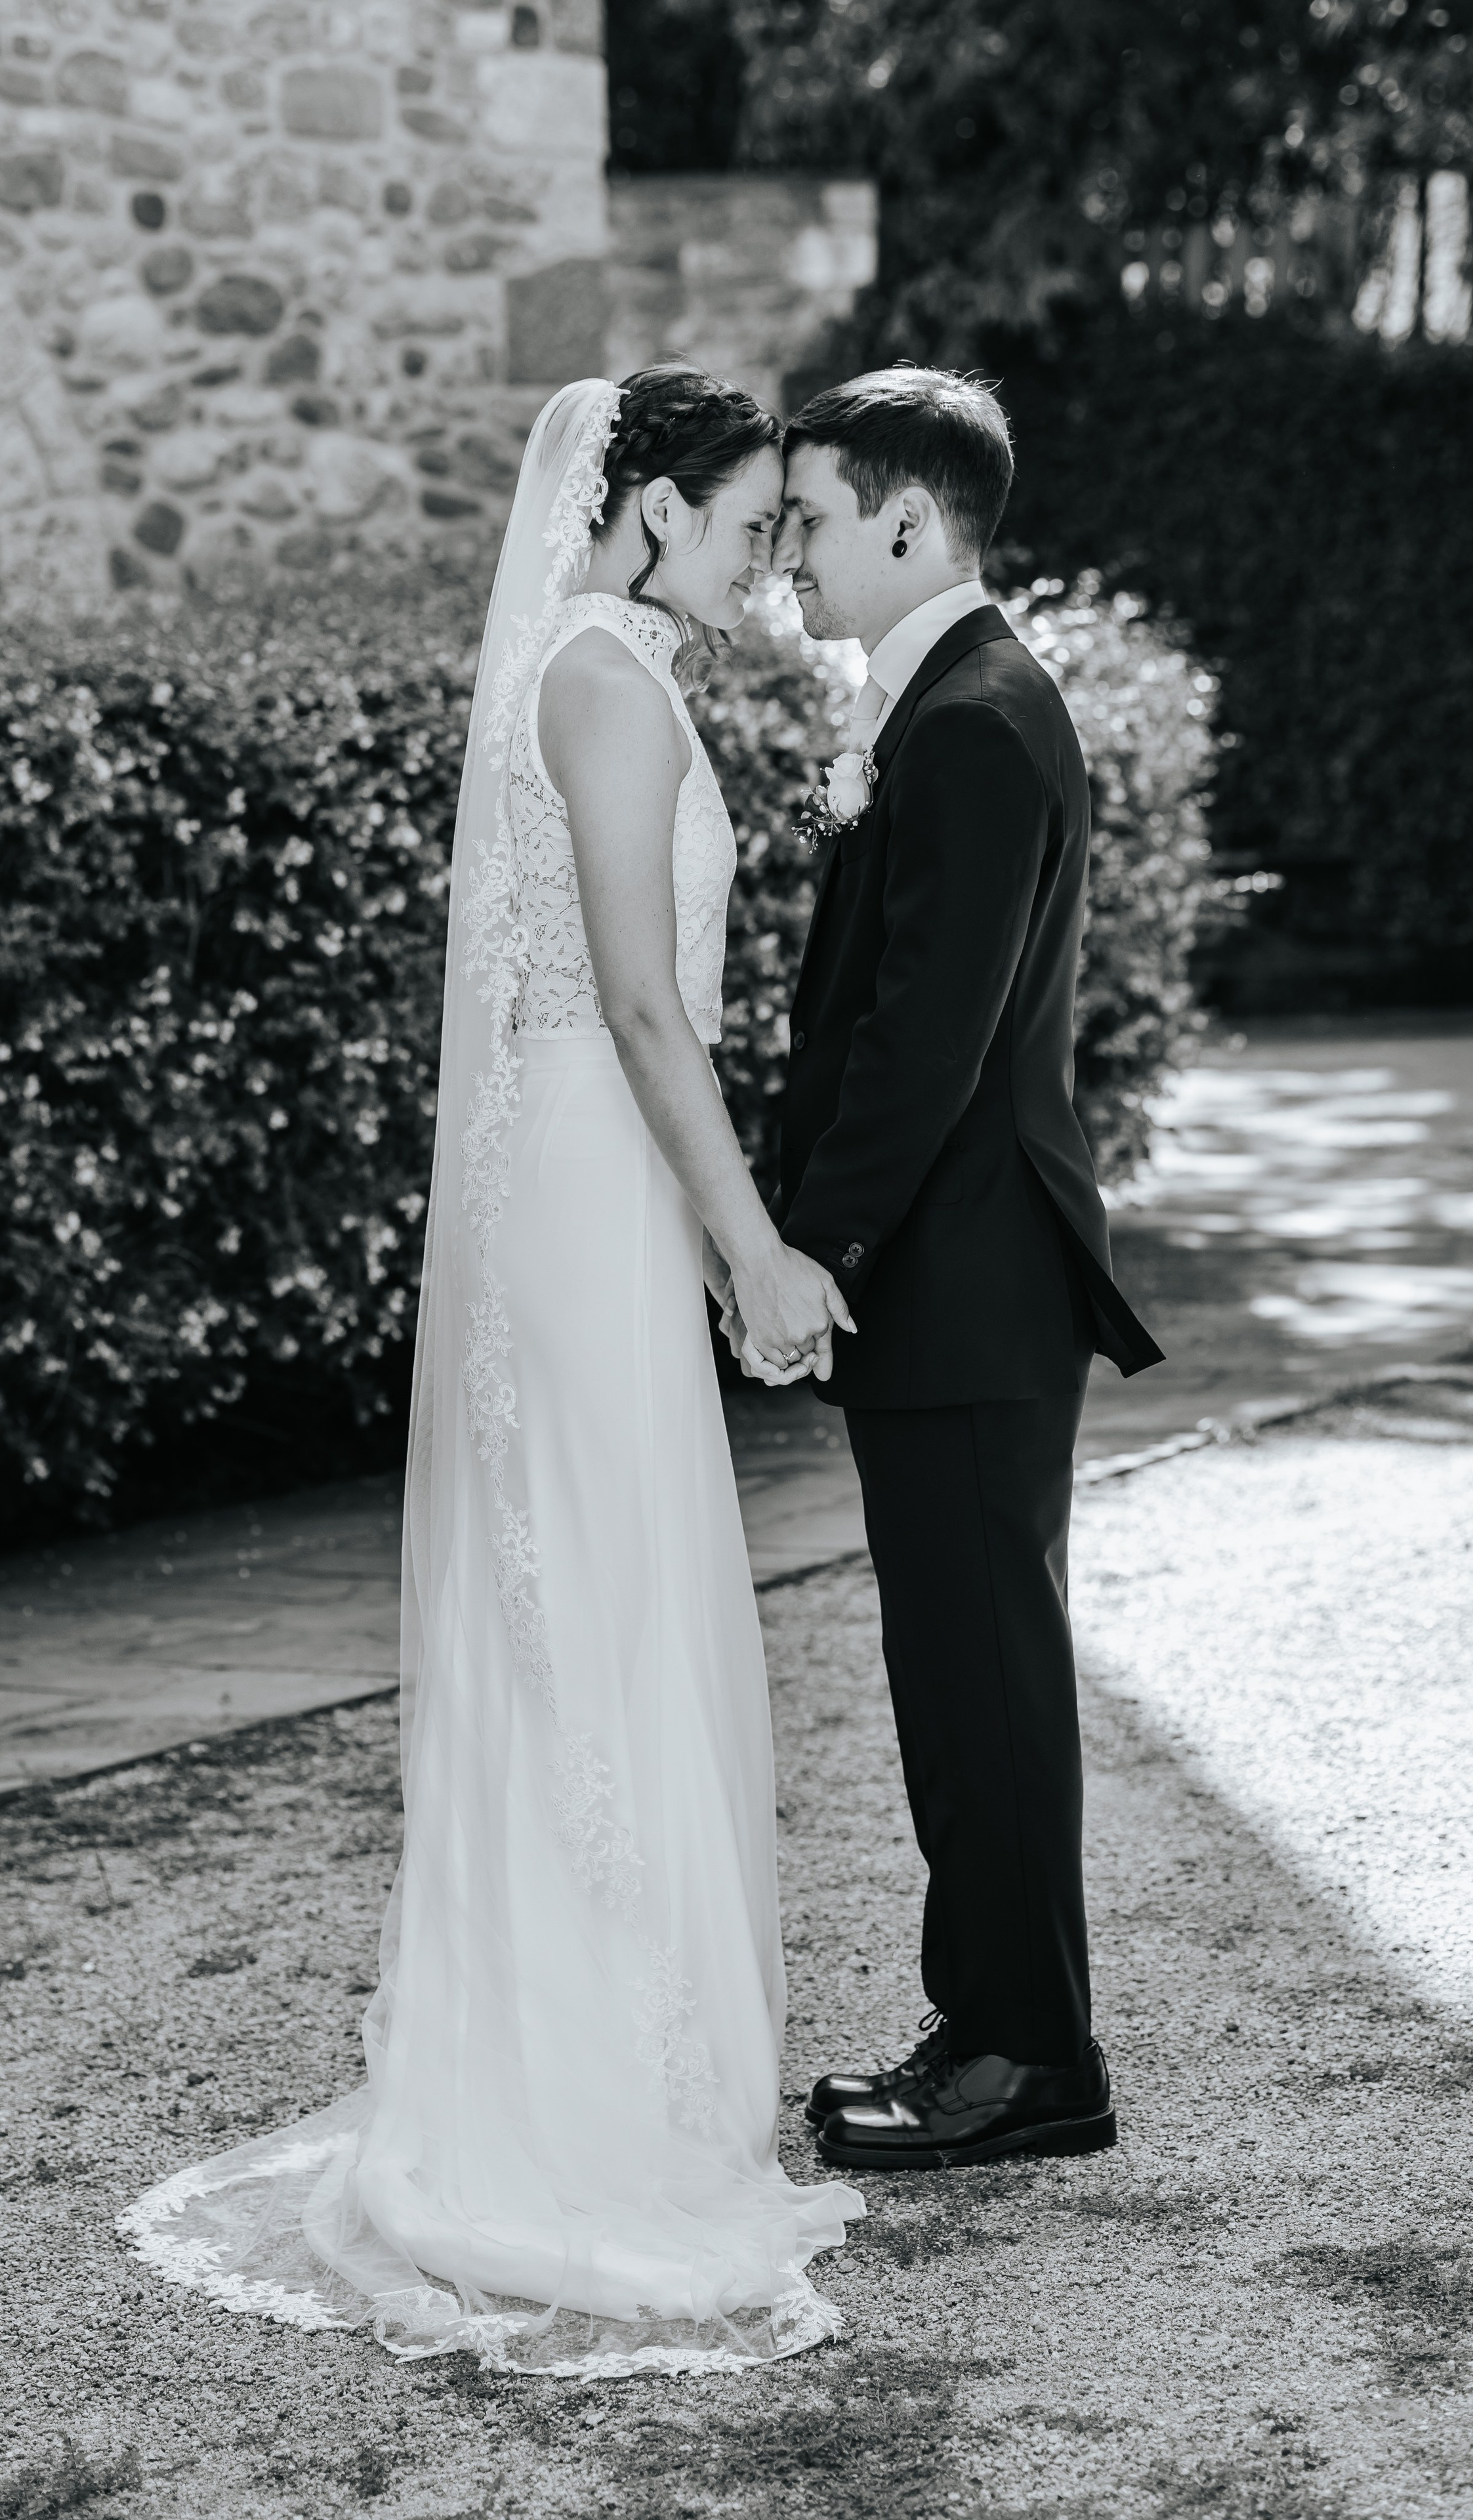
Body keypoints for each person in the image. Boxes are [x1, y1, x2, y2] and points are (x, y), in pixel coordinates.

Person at [117, 368, 863, 2378]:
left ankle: (604, 2064)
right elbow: (635, 997)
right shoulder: (609, 680)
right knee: (594, 1602)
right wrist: (753, 1240)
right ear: (638, 508)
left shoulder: (586, 659)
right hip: (599, 1174)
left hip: (587, 1174)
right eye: (742, 520)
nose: (765, 556)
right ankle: (581, 2112)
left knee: (590, 1600)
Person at [736, 364, 1164, 2174]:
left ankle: (1029, 2064)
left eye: (815, 523)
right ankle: (984, 2017)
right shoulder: (948, 708)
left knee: (983, 1675)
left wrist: (799, 1248)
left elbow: (927, 1038)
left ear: (911, 521)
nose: (792, 567)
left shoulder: (977, 722)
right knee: (956, 1671)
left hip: (968, 1284)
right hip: (955, 1282)